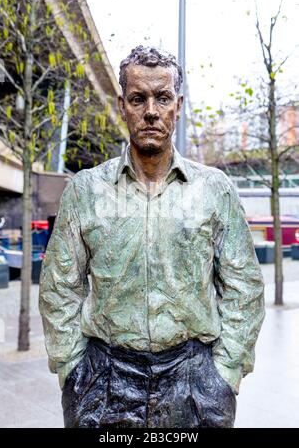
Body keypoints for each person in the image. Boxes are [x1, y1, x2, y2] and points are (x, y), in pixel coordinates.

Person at [39, 46, 265, 428]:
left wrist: (224, 373)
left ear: (177, 105)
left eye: (162, 98)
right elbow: (60, 287)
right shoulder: (85, 190)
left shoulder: (215, 190)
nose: (150, 112)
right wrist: (71, 369)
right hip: (102, 377)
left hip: (195, 379)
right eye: (138, 98)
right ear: (122, 105)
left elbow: (244, 286)